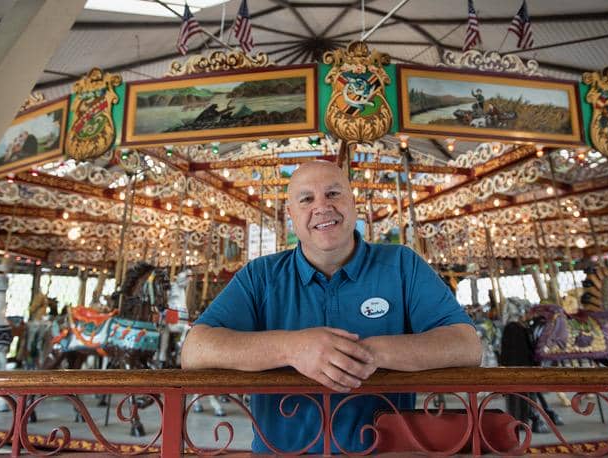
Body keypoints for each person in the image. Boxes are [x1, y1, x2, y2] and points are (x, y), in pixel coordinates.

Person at [181, 160, 481, 453]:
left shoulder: (402, 265)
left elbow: (467, 346)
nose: (322, 207)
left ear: (354, 203)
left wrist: (369, 353)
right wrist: (294, 348)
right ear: (291, 216)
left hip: (384, 451)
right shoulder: (260, 275)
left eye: (333, 194)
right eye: (307, 199)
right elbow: (194, 350)